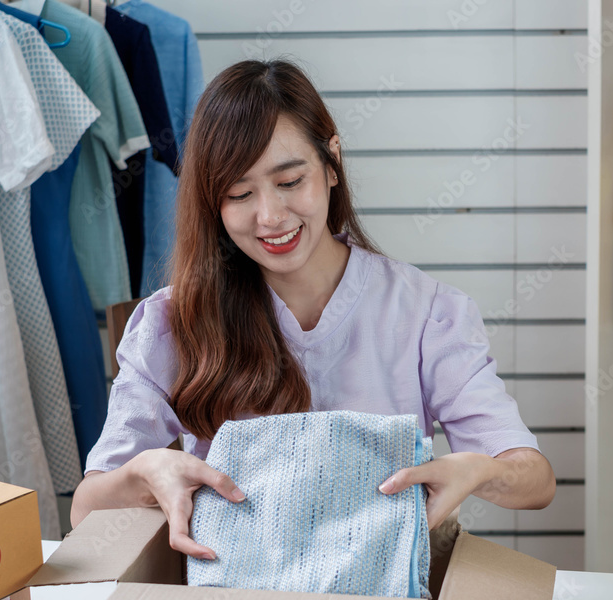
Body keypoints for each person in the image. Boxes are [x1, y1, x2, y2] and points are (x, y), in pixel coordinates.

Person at [71, 59, 556, 560]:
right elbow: (86, 509)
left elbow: (535, 480)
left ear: (331, 163)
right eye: (239, 193)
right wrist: (143, 474)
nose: (270, 216)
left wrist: (481, 471)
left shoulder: (427, 313)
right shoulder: (173, 323)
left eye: (289, 181)